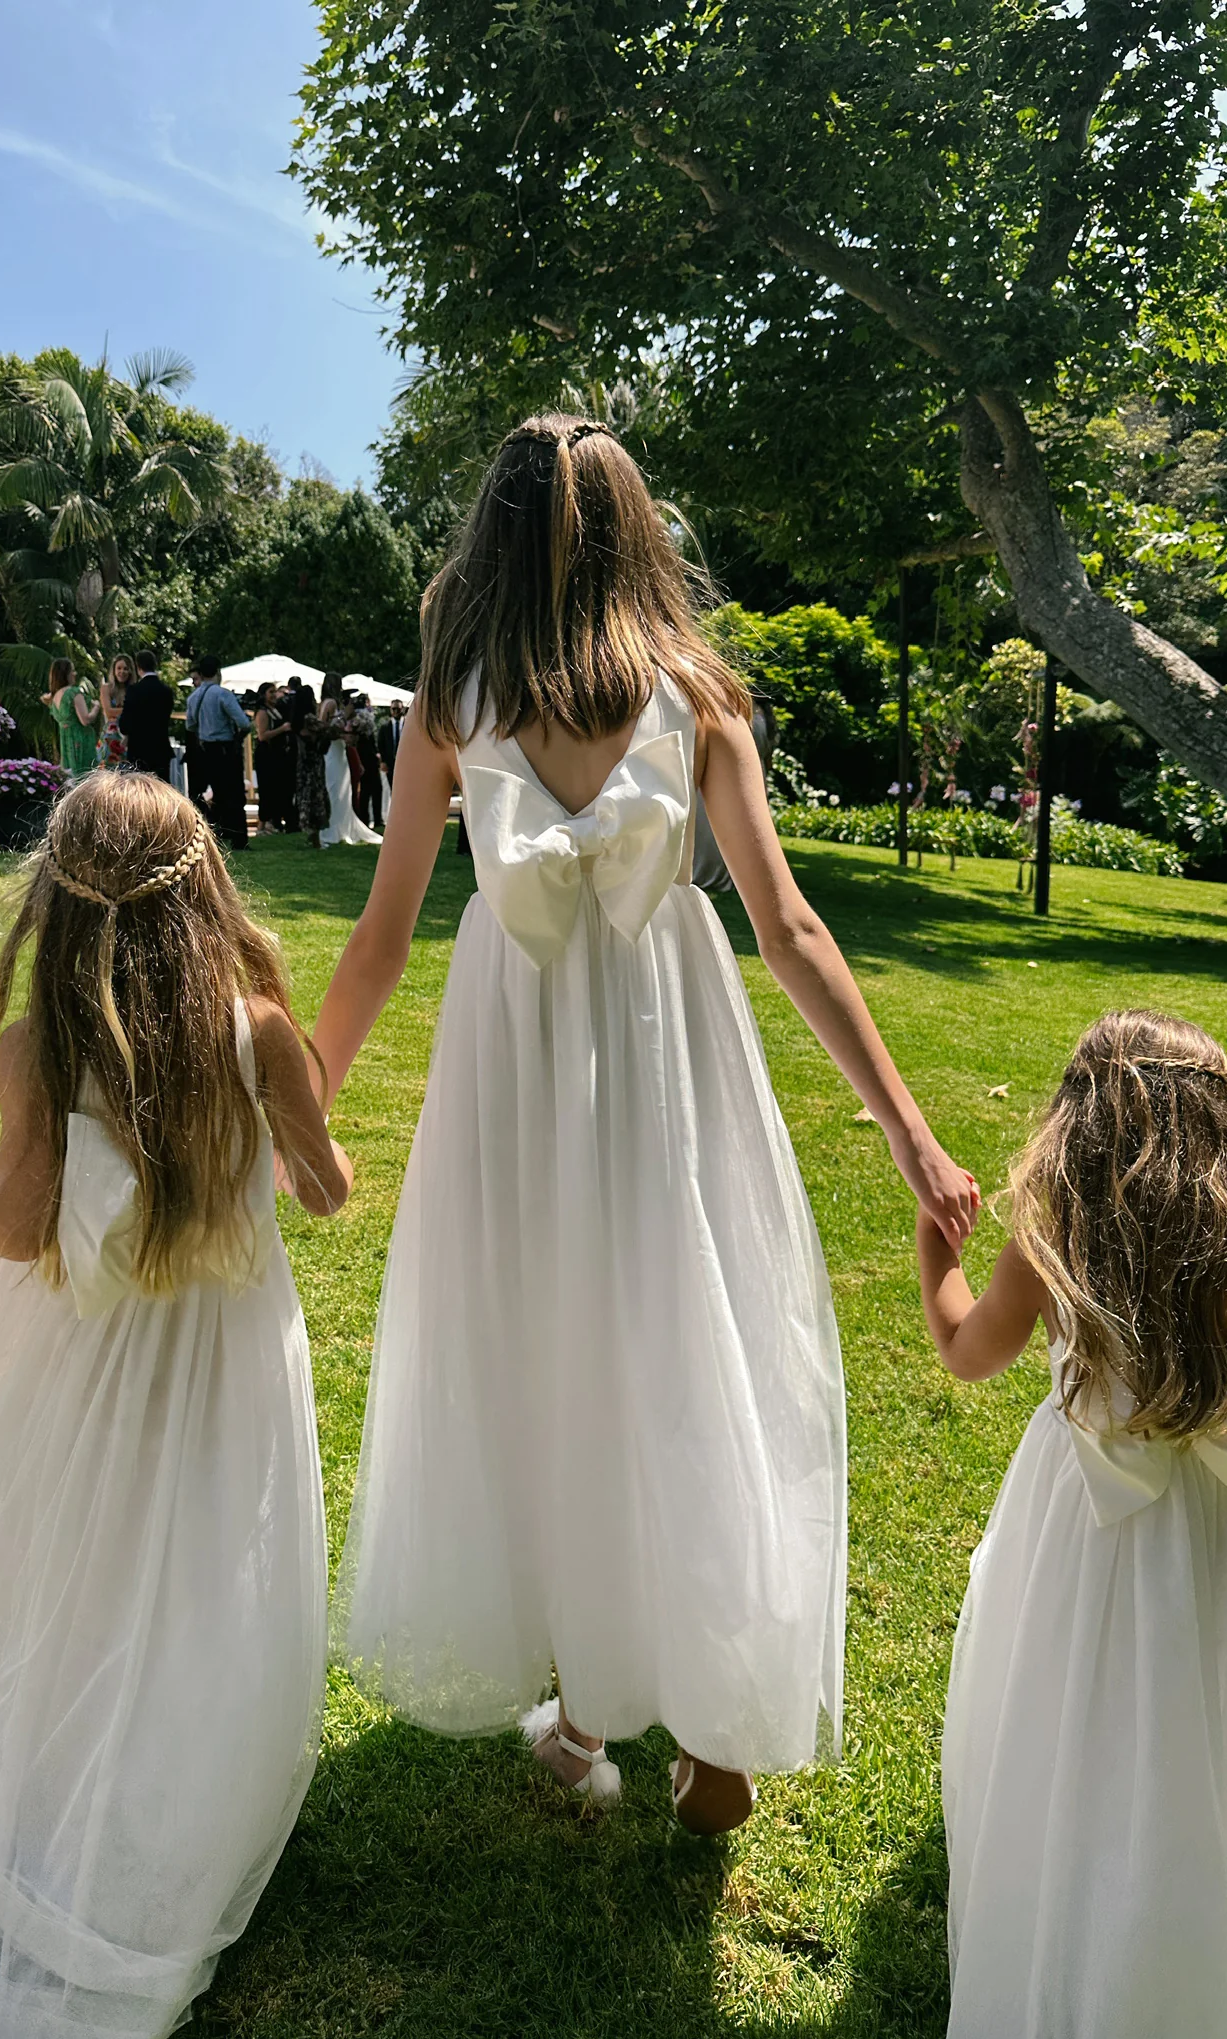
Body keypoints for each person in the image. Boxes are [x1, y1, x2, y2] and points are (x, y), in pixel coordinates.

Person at [310, 414, 976, 1836]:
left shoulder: (454, 701)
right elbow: (787, 928)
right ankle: (705, 1739)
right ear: (638, 536)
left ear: (485, 540)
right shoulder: (694, 692)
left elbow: (377, 942)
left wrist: (305, 1104)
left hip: (520, 1065)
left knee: (549, 1356)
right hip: (668, 1055)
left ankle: (592, 1702)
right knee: (689, 1342)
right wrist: (908, 1137)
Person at [0, 770, 351, 2039]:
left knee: (82, 1558)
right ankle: (183, 1787)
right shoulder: (260, 1025)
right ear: (204, 886)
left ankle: (61, 1777)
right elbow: (323, 1189)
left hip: (88, 1362)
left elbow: (13, 1221)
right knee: (206, 1564)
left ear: (55, 896)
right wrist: (292, 1149)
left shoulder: (39, 1044)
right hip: (221, 1365)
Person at [922, 1008, 1227, 2039]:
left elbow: (968, 1348)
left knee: (1061, 1723)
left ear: (1074, 1127)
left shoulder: (1057, 1231)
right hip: (1212, 1535)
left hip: (1076, 1537)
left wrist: (935, 1256)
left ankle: (1057, 1927)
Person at [185, 655, 251, 850]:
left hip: (205, 749)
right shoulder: (223, 694)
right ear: (217, 672)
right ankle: (239, 838)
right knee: (234, 795)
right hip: (225, 748)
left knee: (215, 796)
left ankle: (217, 834)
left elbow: (190, 725)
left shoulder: (193, 697)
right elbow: (244, 723)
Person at [318, 676, 381, 850]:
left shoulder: (324, 702)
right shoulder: (330, 703)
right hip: (333, 750)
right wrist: (344, 723)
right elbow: (324, 729)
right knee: (335, 789)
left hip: (339, 750)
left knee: (340, 789)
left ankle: (340, 827)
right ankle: (333, 829)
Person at [117, 647, 174, 781]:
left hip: (139, 751)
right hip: (161, 749)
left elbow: (125, 725)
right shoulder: (166, 691)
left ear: (138, 667)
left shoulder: (134, 691)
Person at [43, 657, 100, 781]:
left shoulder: (54, 697)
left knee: (71, 778)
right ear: (65, 674)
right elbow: (85, 720)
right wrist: (96, 707)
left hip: (66, 741)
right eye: (72, 671)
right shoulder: (74, 693)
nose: (75, 673)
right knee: (86, 777)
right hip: (81, 740)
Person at [290, 683, 331, 848]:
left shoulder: (296, 720)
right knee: (316, 798)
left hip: (302, 764)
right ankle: (316, 839)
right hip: (313, 764)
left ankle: (311, 836)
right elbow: (328, 729)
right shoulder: (309, 719)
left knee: (306, 797)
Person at [254, 683, 293, 834]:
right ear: (263, 694)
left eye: (275, 691)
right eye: (271, 692)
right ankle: (261, 825)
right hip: (266, 754)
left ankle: (273, 822)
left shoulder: (275, 710)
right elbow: (262, 735)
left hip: (276, 754)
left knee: (276, 789)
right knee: (266, 789)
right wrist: (282, 729)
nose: (274, 695)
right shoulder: (263, 712)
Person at [351, 693, 384, 830]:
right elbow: (369, 739)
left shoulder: (354, 717)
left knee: (365, 790)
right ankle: (375, 818)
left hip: (362, 756)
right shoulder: (365, 717)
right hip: (368, 758)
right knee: (374, 789)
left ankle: (365, 818)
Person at [96, 654, 134, 770]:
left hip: (129, 737)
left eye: (125, 668)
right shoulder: (106, 688)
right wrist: (132, 710)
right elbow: (109, 712)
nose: (122, 672)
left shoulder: (133, 689)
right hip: (110, 737)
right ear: (114, 670)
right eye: (119, 668)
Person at [377, 698, 406, 789]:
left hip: (406, 762)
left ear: (403, 709)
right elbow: (381, 745)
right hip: (390, 764)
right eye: (394, 709)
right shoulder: (384, 727)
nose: (396, 711)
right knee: (393, 789)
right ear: (390, 710)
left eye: (398, 709)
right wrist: (383, 762)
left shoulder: (409, 725)